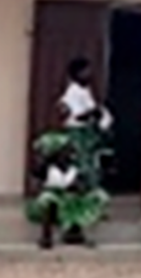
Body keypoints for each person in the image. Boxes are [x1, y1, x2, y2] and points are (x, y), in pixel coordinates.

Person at [26, 132, 107, 249]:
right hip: (52, 196)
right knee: (48, 199)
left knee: (88, 199)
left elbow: (82, 183)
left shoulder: (74, 167)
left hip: (71, 197)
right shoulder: (45, 168)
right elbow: (35, 185)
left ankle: (74, 233)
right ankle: (46, 236)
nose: (69, 153)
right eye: (65, 150)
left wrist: (79, 187)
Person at [57, 56, 112, 190]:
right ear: (76, 73)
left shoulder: (85, 90)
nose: (89, 74)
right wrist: (94, 113)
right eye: (85, 71)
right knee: (83, 164)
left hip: (88, 131)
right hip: (78, 132)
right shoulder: (73, 92)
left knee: (92, 162)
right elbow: (77, 115)